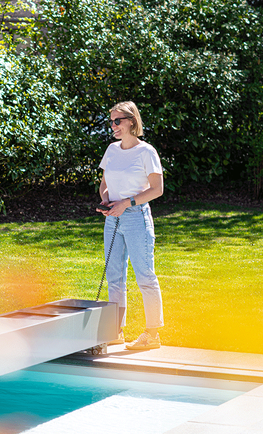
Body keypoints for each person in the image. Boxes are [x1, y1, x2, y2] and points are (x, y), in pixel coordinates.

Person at [97, 101, 164, 350]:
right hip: (113, 217)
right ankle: (116, 331)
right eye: (111, 121)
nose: (113, 125)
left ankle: (152, 334)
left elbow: (157, 190)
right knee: (114, 276)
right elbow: (104, 183)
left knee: (145, 276)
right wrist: (105, 199)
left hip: (136, 217)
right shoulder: (112, 150)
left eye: (118, 121)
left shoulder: (147, 152)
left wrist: (127, 202)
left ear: (131, 122)